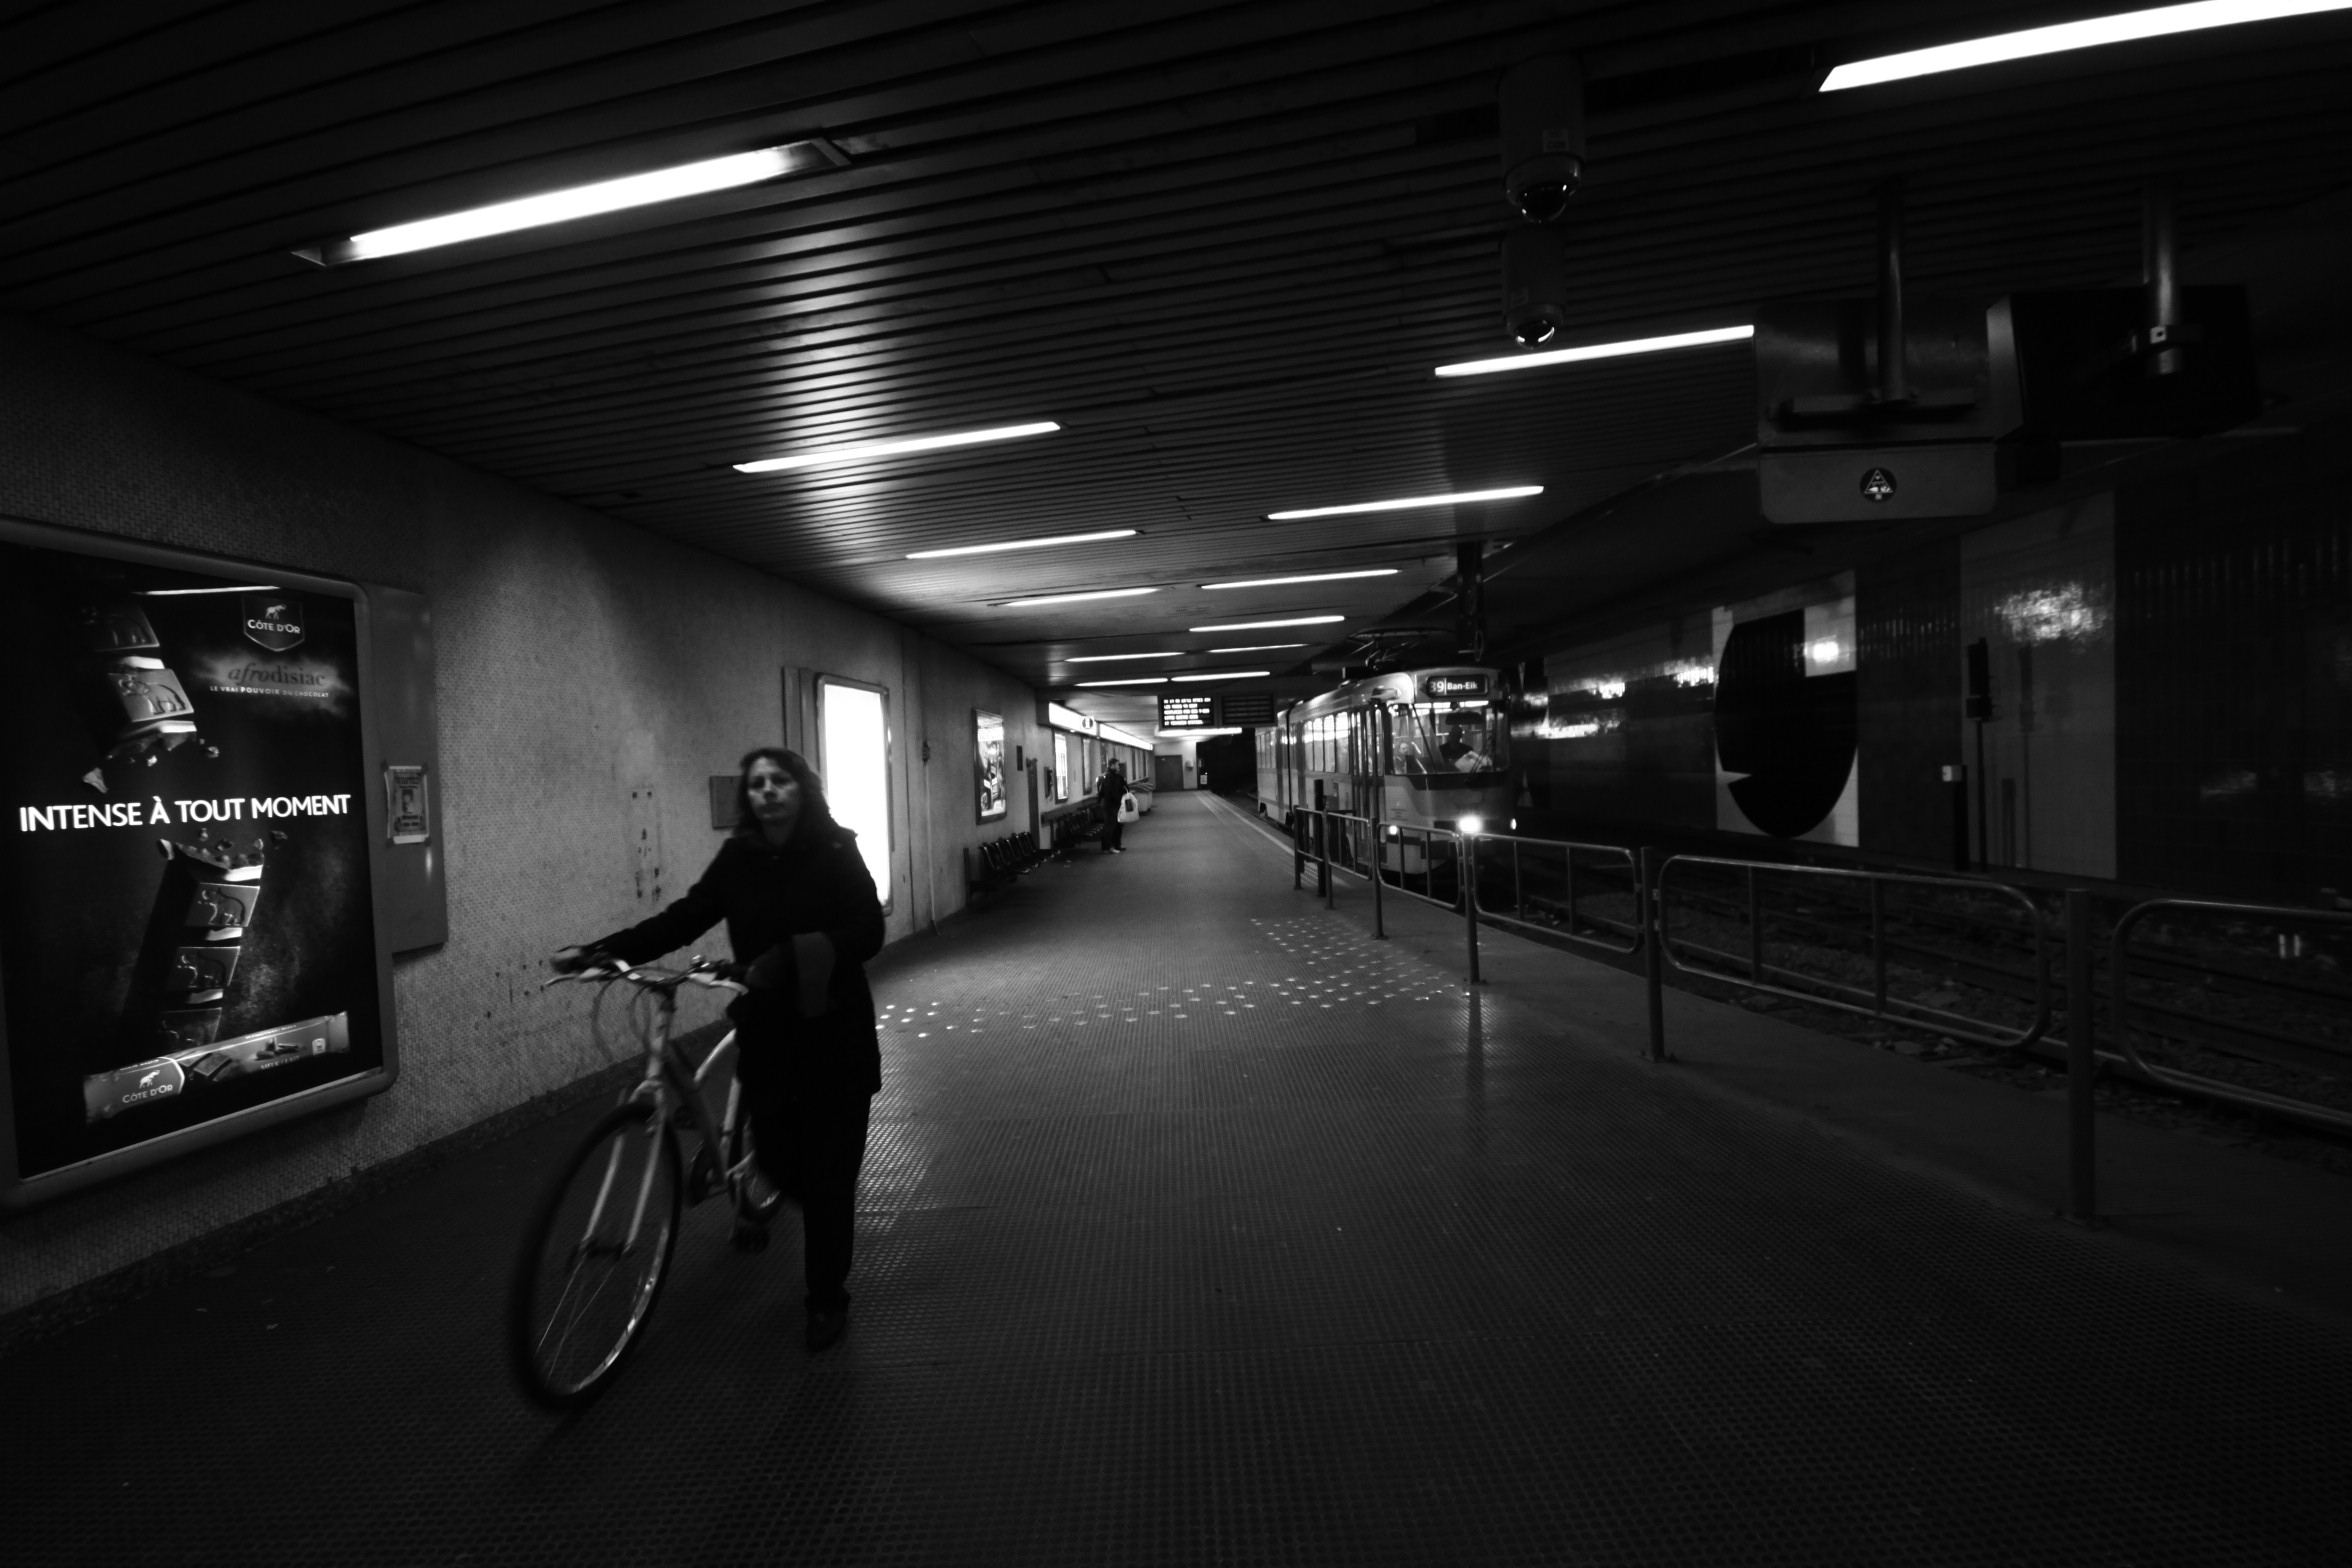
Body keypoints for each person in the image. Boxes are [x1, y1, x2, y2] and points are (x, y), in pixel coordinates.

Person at [551, 748, 883, 1353]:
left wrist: (790, 957)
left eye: (780, 781)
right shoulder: (739, 857)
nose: (768, 791)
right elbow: (685, 917)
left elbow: (867, 929)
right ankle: (790, 1201)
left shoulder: (837, 849)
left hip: (834, 1033)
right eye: (757, 784)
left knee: (829, 1178)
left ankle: (825, 1298)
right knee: (779, 1157)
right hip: (769, 1030)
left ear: (802, 789)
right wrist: (607, 950)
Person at [1095, 760, 1128, 853]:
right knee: (1109, 826)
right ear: (1112, 765)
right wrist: (1118, 800)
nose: (1119, 767)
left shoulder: (1117, 777)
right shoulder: (1108, 778)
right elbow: (1110, 793)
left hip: (1116, 805)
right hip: (1110, 805)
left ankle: (1117, 845)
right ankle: (1107, 847)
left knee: (1118, 825)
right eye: (1117, 765)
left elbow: (1125, 788)